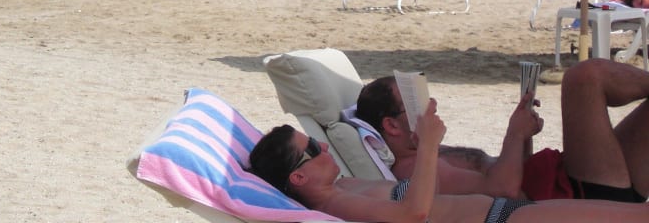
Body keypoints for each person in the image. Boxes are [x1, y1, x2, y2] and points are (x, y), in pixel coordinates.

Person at [247, 107, 649, 223]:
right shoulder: (335, 205)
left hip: (510, 212)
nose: (323, 146)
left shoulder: (346, 186)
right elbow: (413, 212)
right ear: (298, 177)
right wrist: (428, 148)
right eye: (313, 149)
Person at [354, 58, 649, 202]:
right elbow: (503, 192)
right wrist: (514, 133)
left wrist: (522, 134)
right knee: (585, 77)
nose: (431, 104)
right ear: (391, 125)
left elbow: (511, 173)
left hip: (565, 179)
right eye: (416, 101)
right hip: (573, 196)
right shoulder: (414, 169)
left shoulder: (429, 151)